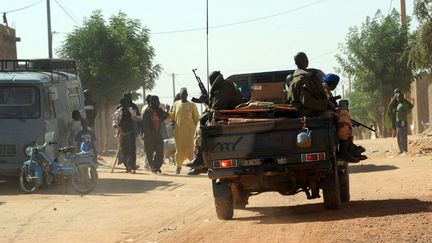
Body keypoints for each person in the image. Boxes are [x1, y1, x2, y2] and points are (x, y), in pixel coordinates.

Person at [287, 52, 359, 162]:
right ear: (301, 62)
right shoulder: (300, 79)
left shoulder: (306, 76)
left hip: (313, 110)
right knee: (341, 116)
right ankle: (343, 150)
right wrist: (326, 104)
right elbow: (307, 101)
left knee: (343, 113)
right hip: (308, 112)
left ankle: (349, 146)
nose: (307, 61)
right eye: (305, 59)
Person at [187, 71, 244, 175]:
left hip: (229, 116)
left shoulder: (223, 88)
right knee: (201, 123)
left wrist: (207, 106)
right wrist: (207, 101)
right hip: (226, 115)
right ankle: (200, 159)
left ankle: (200, 159)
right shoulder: (224, 86)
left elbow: (216, 107)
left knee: (203, 126)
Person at [170, 88, 199, 174]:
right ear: (180, 95)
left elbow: (196, 118)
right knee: (179, 150)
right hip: (179, 132)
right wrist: (166, 114)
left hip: (190, 132)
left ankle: (192, 167)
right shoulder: (176, 104)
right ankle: (178, 167)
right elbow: (173, 116)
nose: (184, 96)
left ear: (187, 95)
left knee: (191, 149)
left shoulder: (192, 105)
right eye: (182, 94)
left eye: (185, 94)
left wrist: (198, 129)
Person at [141, 95, 168, 174]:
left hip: (158, 136)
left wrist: (167, 110)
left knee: (160, 152)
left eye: (158, 101)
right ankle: (153, 167)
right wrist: (146, 135)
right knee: (149, 153)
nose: (158, 103)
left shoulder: (159, 111)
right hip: (149, 136)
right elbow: (144, 125)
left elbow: (164, 117)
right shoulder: (147, 112)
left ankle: (157, 167)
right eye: (156, 101)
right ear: (151, 102)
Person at [112, 97, 139, 173]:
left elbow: (135, 118)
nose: (126, 104)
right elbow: (114, 121)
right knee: (124, 151)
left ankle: (131, 166)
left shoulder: (131, 111)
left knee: (132, 151)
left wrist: (139, 118)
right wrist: (116, 126)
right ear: (122, 104)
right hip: (122, 134)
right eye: (125, 103)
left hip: (130, 133)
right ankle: (128, 167)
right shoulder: (118, 112)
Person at [393, 91, 414, 155]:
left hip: (403, 122)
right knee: (399, 136)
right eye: (397, 98)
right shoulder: (399, 104)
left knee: (403, 136)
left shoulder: (404, 104)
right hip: (398, 122)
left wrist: (398, 111)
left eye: (399, 97)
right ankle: (401, 150)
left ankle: (405, 150)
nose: (398, 99)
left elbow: (407, 111)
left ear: (402, 97)